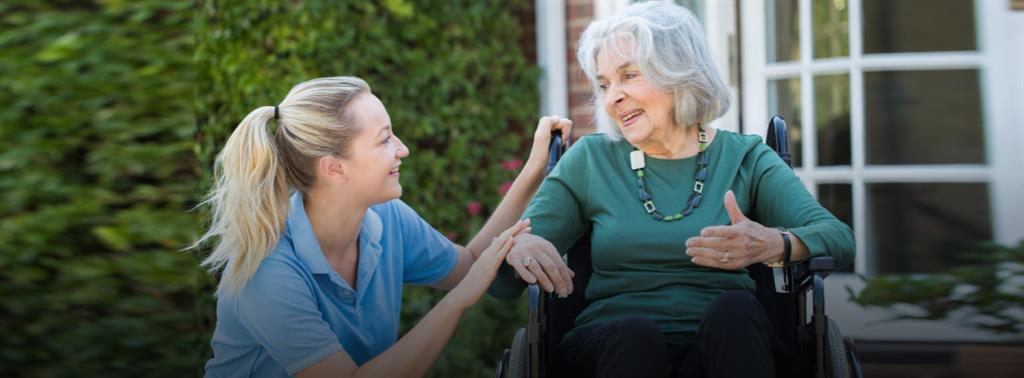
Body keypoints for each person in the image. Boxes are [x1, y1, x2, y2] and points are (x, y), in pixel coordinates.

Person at [488, 2, 855, 377]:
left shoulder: (744, 156)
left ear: (679, 72)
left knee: (736, 313)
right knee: (634, 335)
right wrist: (517, 247)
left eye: (628, 75)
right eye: (603, 84)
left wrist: (776, 244)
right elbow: (501, 284)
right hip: (612, 350)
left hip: (728, 348)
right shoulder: (591, 160)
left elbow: (838, 239)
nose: (611, 97)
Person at [191, 76, 572, 377]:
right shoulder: (267, 271)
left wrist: (533, 170)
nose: (403, 148)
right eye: (385, 138)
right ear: (334, 168)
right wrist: (458, 301)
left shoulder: (386, 220)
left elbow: (470, 266)